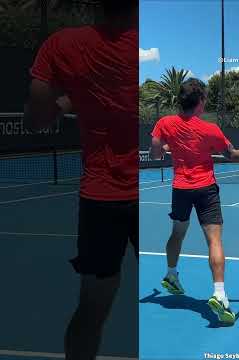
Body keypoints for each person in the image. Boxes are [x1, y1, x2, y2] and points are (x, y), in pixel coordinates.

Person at [24, 1, 139, 359]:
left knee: (91, 308)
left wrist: (67, 101)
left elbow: (35, 120)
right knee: (168, 291)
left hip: (100, 200)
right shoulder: (150, 51)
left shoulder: (62, 45)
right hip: (149, 200)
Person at [150, 78, 239, 324]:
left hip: (180, 189)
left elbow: (156, 152)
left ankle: (171, 274)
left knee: (177, 233)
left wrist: (167, 146)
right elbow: (231, 155)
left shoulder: (164, 123)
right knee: (214, 240)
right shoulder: (210, 129)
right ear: (200, 102)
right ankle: (219, 294)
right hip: (205, 189)